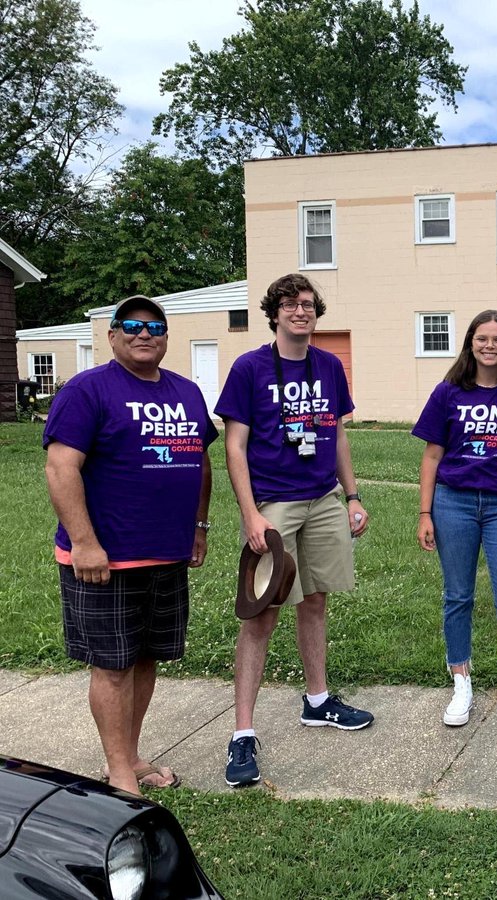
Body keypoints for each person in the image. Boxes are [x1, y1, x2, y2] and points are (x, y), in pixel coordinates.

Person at [44, 295, 217, 796]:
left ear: (165, 337)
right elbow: (61, 467)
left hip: (166, 553)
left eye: (154, 326)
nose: (144, 333)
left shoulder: (186, 392)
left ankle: (132, 755)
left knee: (145, 659)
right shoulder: (87, 390)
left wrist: (199, 527)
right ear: (112, 336)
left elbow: (200, 461)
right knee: (113, 666)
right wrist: (84, 542)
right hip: (105, 559)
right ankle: (119, 771)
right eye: (131, 325)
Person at [215, 274, 373, 788]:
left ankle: (318, 700)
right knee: (261, 613)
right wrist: (250, 514)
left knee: (316, 600)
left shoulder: (328, 365)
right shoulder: (250, 368)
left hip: (323, 497)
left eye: (308, 304)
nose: (300, 311)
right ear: (274, 313)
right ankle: (242, 733)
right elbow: (234, 446)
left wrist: (352, 495)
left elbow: (338, 433)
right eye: (290, 304)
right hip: (275, 504)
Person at [413, 310, 497, 734]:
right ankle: (461, 681)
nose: (489, 346)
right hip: (454, 502)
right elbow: (431, 456)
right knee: (458, 595)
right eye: (482, 338)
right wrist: (425, 513)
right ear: (470, 343)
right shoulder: (448, 392)